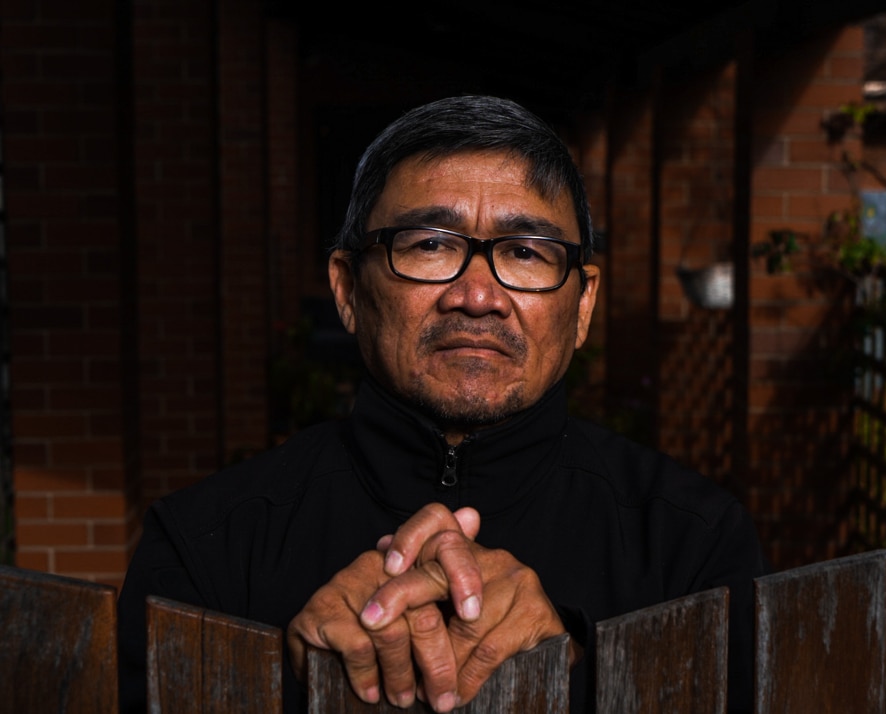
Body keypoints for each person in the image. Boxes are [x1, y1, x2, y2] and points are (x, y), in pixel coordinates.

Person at [117, 94, 765, 713]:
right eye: (430, 244)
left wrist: (572, 669)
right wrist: (288, 684)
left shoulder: (691, 545)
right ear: (347, 289)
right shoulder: (207, 546)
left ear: (583, 303)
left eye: (526, 252)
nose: (477, 296)